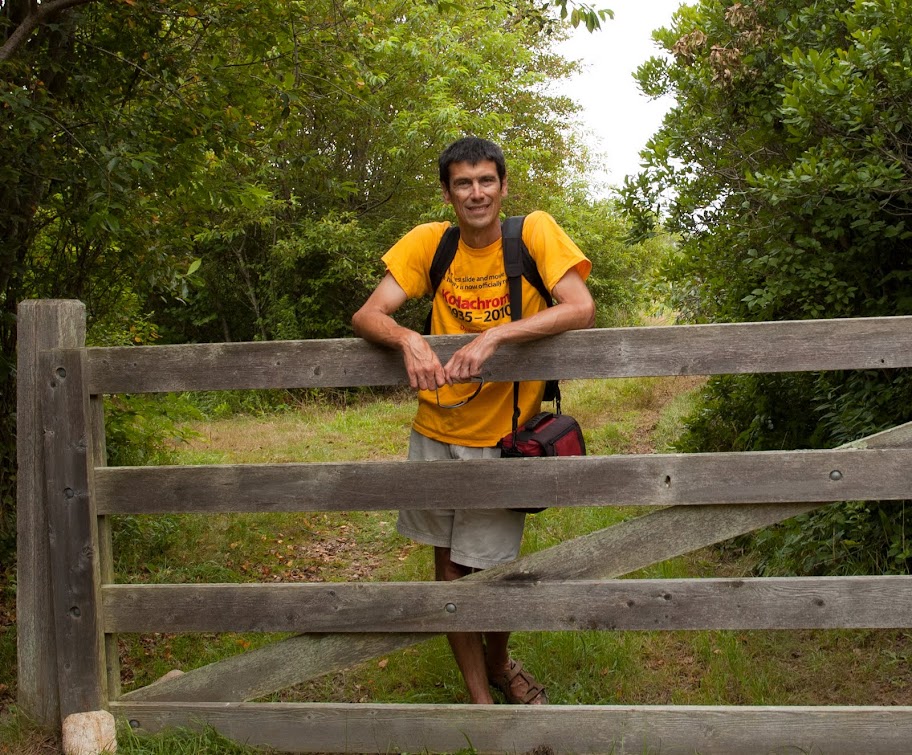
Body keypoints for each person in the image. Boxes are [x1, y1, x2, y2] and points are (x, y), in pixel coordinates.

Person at [352, 136, 595, 705]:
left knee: (493, 570)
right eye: (463, 183)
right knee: (448, 569)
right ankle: (479, 696)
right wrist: (408, 337)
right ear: (447, 193)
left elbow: (580, 307)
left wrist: (496, 335)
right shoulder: (429, 243)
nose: (476, 193)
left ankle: (500, 663)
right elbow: (368, 314)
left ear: (503, 187)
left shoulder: (533, 233)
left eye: (486, 180)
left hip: (503, 439)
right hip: (434, 432)